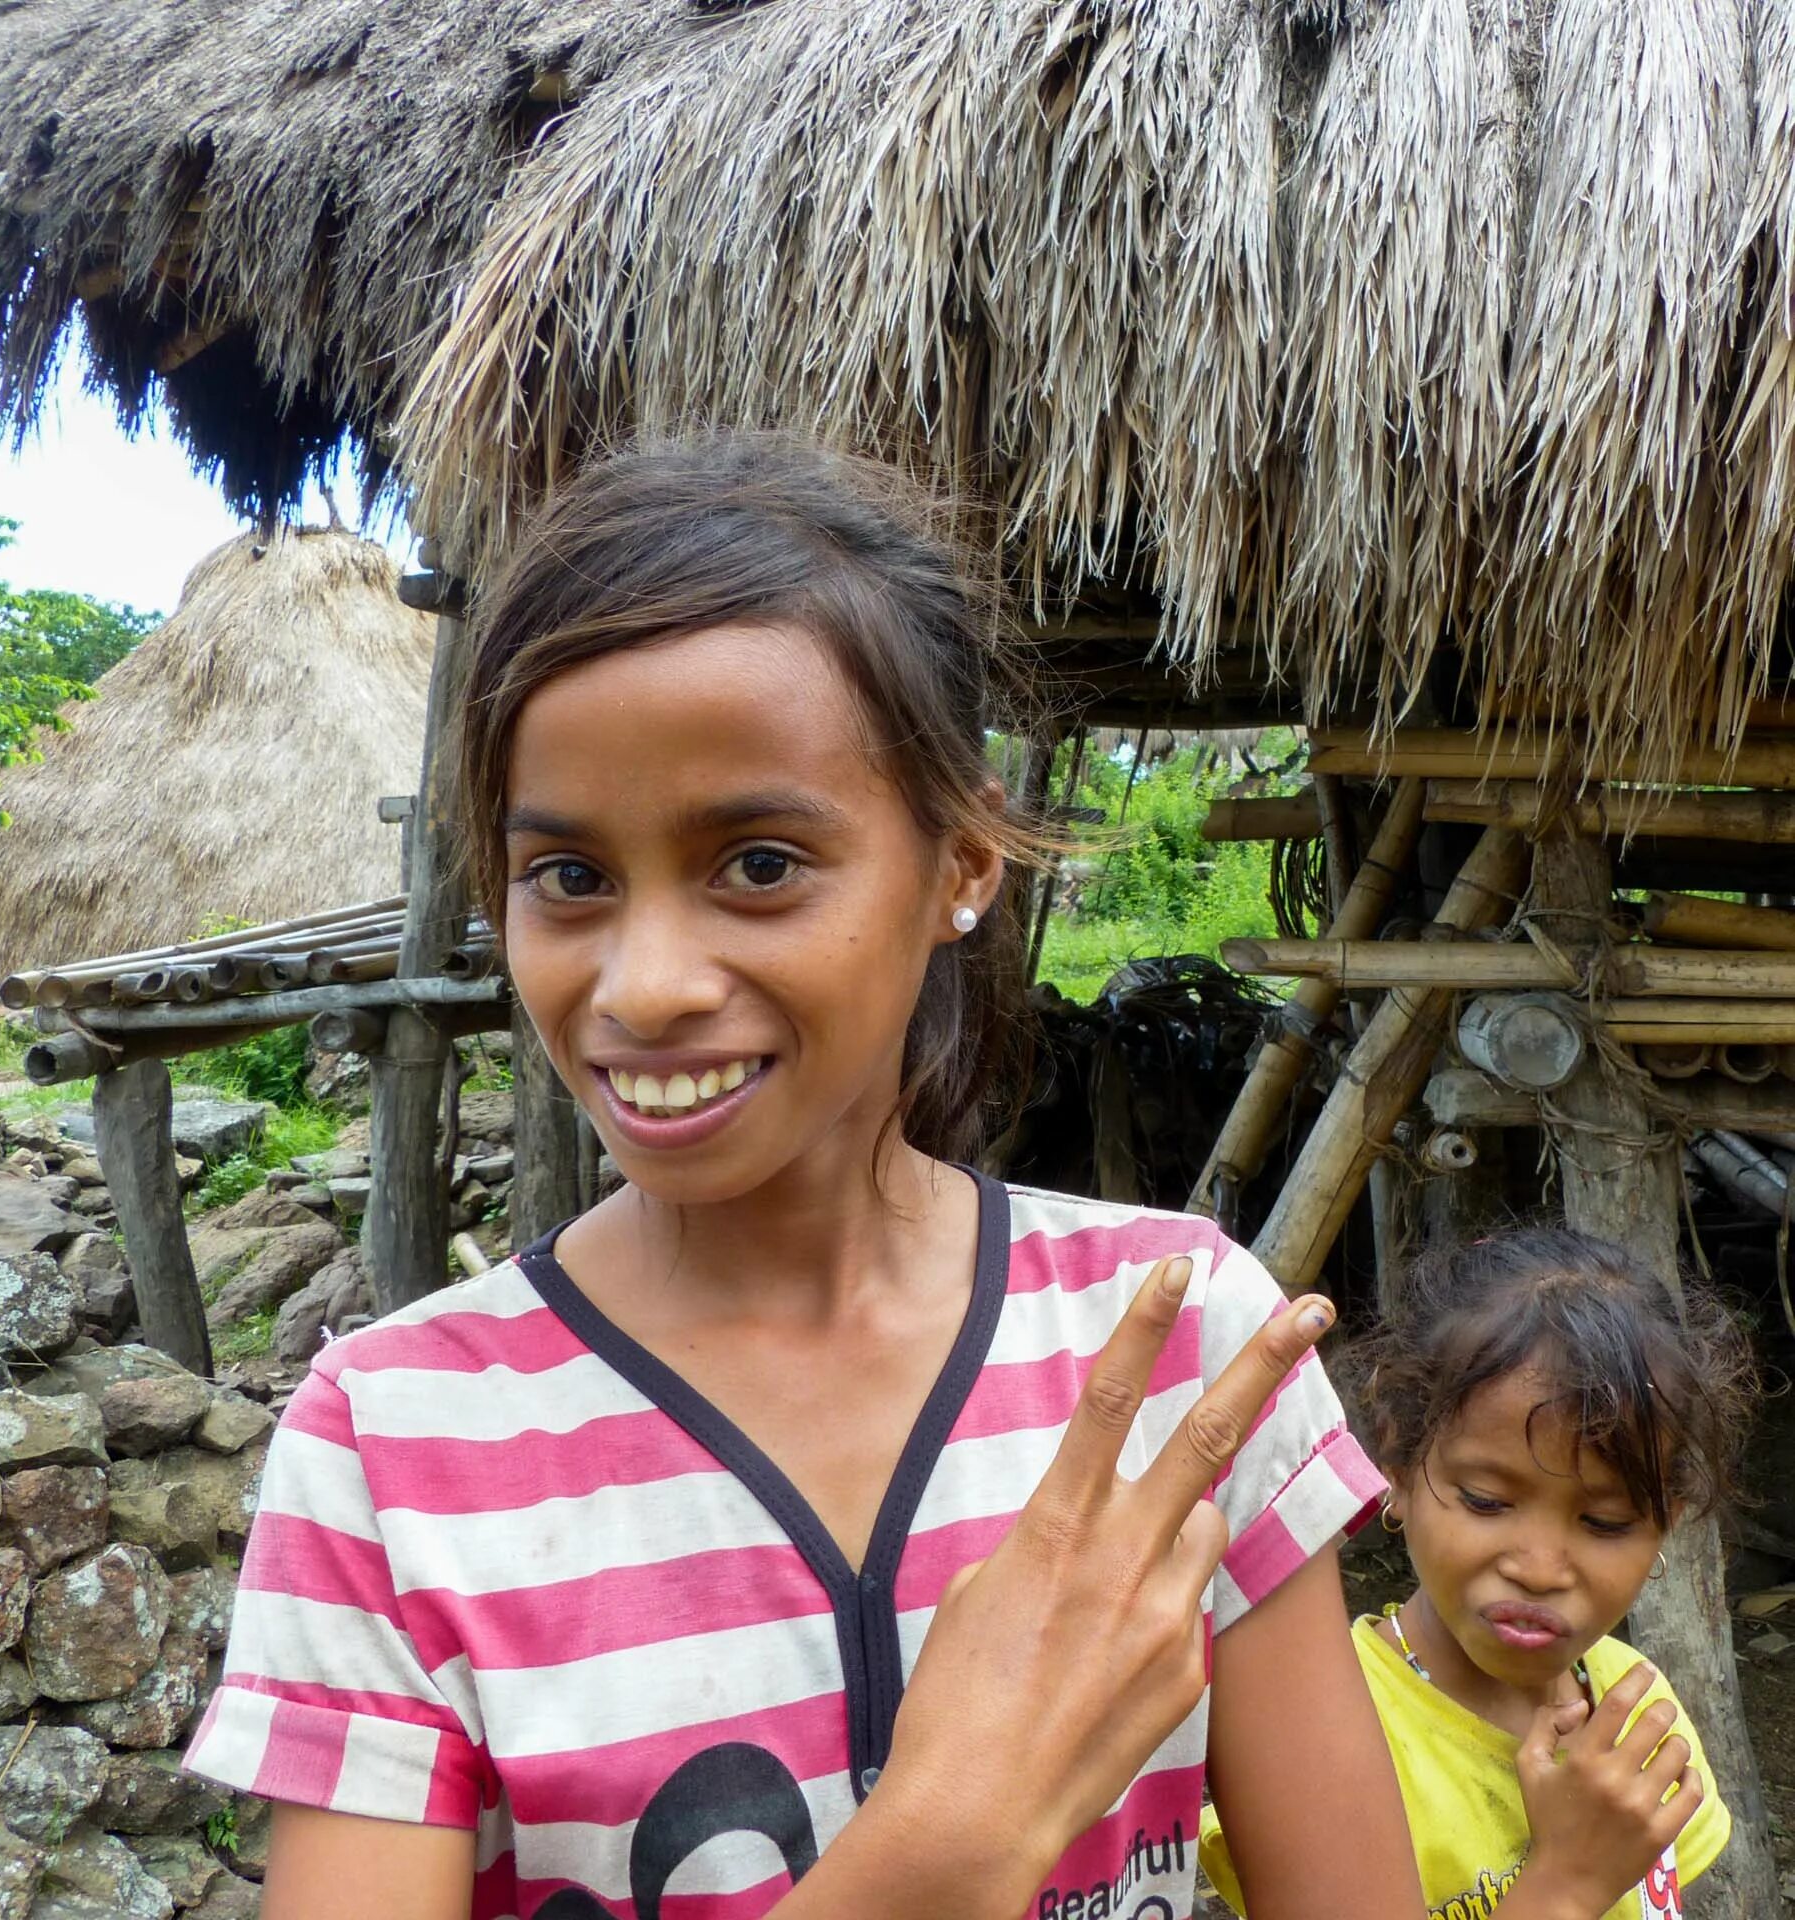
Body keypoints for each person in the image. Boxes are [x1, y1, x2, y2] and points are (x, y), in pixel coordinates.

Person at [183, 434, 1424, 1920]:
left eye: (759, 863)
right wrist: (933, 1858)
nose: (642, 987)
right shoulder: (391, 1451)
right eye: (567, 878)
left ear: (961, 862)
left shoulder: (1175, 1350)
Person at [1200, 1228, 1750, 1920]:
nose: (1539, 1568)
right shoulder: (1322, 1731)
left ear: (1665, 1521)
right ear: (1397, 1469)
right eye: (1487, 1502)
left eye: (1605, 1523)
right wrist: (1566, 1885)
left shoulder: (1637, 1712)